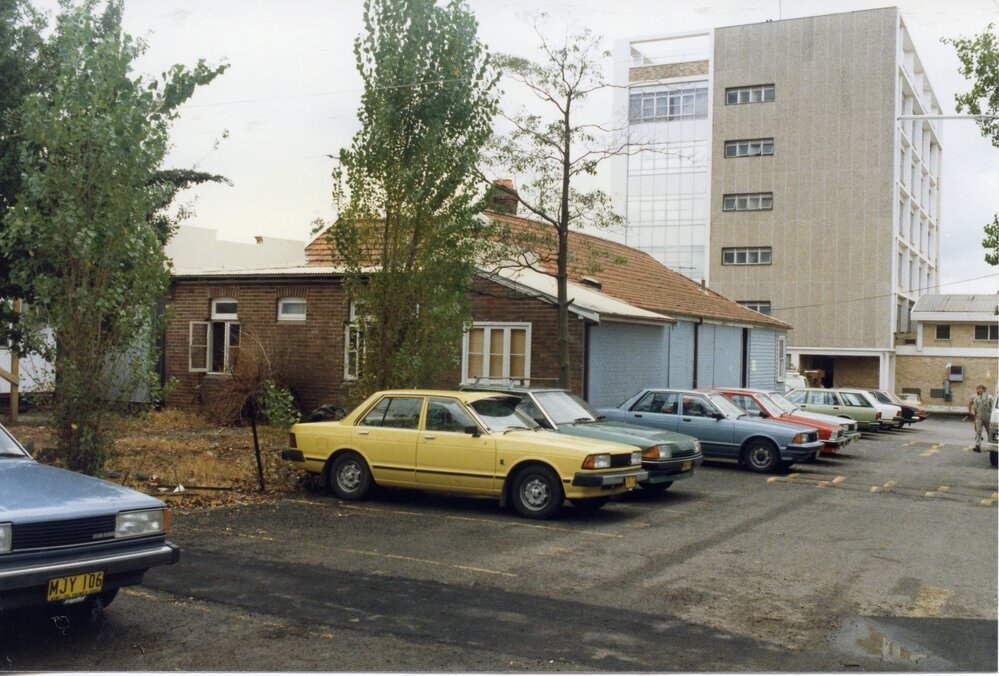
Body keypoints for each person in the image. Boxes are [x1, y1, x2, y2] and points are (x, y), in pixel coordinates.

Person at [969, 384, 995, 452]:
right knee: (978, 432)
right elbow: (975, 408)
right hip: (979, 418)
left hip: (988, 418)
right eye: (977, 389)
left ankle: (991, 447)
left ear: (984, 390)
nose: (978, 390)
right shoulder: (977, 398)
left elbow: (993, 407)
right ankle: (978, 446)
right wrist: (975, 417)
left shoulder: (990, 397)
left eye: (980, 389)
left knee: (989, 432)